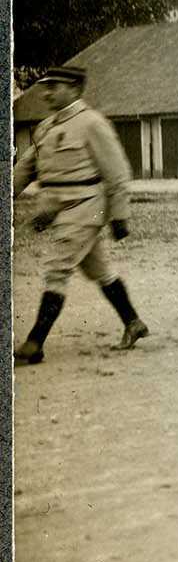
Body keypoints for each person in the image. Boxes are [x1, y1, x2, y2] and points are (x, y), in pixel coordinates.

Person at [12, 65, 149, 364]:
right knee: (99, 270)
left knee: (57, 269)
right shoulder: (46, 127)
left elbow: (117, 172)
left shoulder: (92, 123)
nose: (47, 93)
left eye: (55, 86)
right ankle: (133, 323)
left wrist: (119, 215)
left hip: (87, 205)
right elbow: (26, 168)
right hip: (58, 208)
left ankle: (35, 343)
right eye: (46, 87)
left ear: (74, 88)